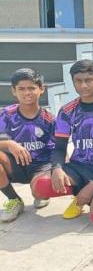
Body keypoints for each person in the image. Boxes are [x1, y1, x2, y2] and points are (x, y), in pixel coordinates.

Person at [32, 60, 93, 227]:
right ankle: (83, 194)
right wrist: (57, 168)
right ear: (73, 82)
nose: (83, 85)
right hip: (80, 166)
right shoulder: (67, 111)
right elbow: (59, 148)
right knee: (41, 186)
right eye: (78, 81)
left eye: (88, 80)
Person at [0, 69, 54, 222]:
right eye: (21, 89)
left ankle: (40, 191)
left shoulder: (49, 119)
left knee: (41, 189)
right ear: (13, 91)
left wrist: (60, 171)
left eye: (31, 88)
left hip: (41, 167)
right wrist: (9, 144)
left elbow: (59, 150)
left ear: (41, 89)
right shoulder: (7, 114)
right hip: (15, 165)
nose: (27, 93)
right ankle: (14, 200)